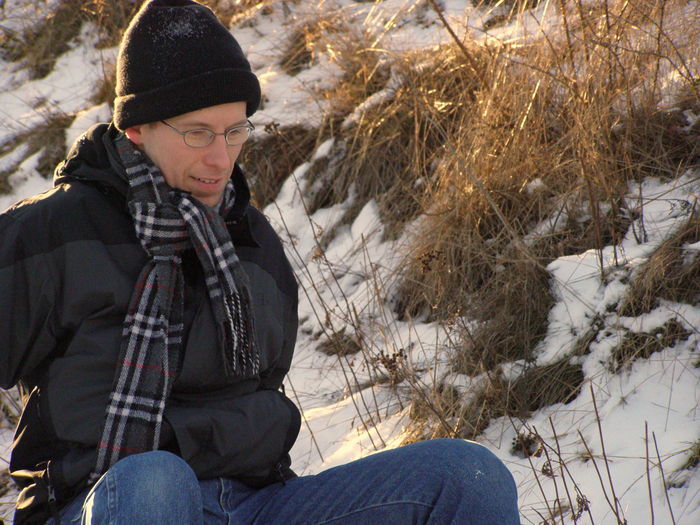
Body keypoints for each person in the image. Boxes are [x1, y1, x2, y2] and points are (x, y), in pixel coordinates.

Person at [0, 1, 519, 523]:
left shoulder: (250, 242)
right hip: (107, 501)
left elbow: (260, 399)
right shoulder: (55, 230)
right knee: (157, 481)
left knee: (466, 474)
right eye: (198, 132)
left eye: (235, 131)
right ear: (137, 127)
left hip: (254, 504)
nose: (220, 157)